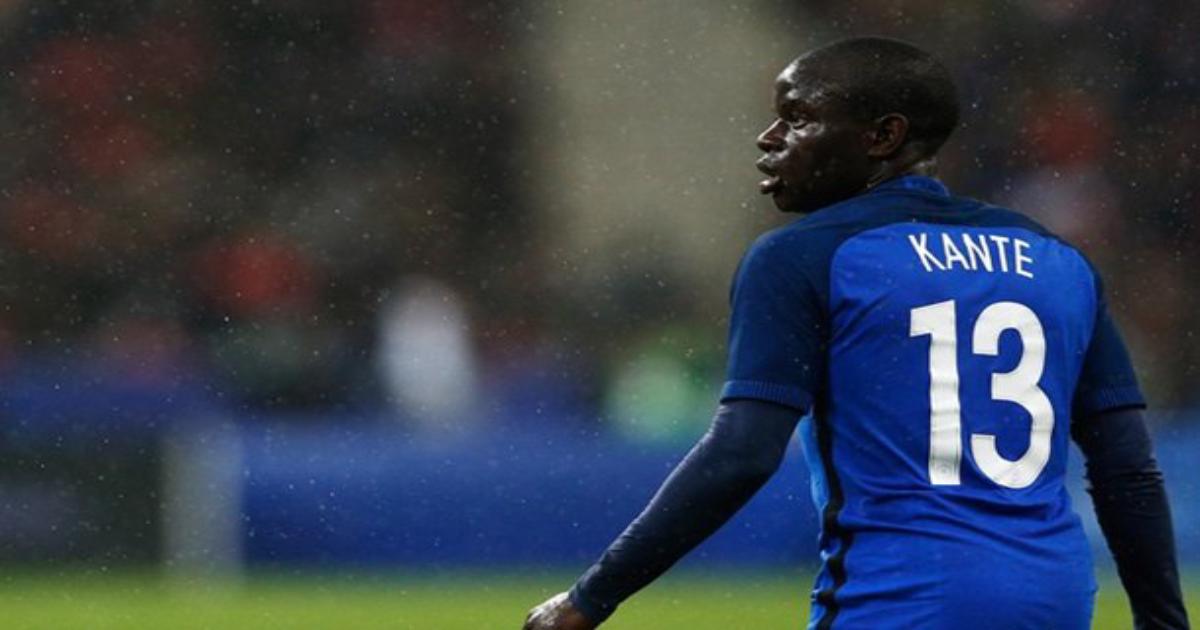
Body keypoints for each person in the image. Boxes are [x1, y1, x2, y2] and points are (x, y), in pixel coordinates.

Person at [523, 37, 1190, 630]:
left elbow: (742, 455)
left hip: (901, 596)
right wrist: (1162, 620)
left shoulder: (804, 256)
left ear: (883, 137)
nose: (768, 138)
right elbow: (1126, 468)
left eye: (797, 117)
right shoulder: (1057, 259)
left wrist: (591, 598)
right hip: (1055, 598)